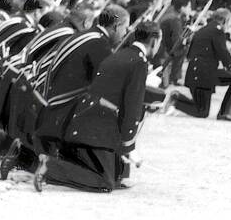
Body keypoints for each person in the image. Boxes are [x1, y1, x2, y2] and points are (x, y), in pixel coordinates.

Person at [43, 23, 160, 192]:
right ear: (154, 41)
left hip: (85, 121)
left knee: (110, 177)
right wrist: (128, 146)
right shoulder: (139, 62)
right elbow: (132, 107)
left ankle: (45, 163)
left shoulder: (120, 54)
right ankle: (47, 166)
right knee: (105, 183)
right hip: (99, 129)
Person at [170, 9, 231, 121]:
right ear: (224, 21)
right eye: (229, 21)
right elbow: (223, 52)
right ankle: (226, 112)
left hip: (196, 75)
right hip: (204, 76)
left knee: (201, 111)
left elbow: (190, 54)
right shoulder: (217, 31)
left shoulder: (203, 30)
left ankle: (176, 99)